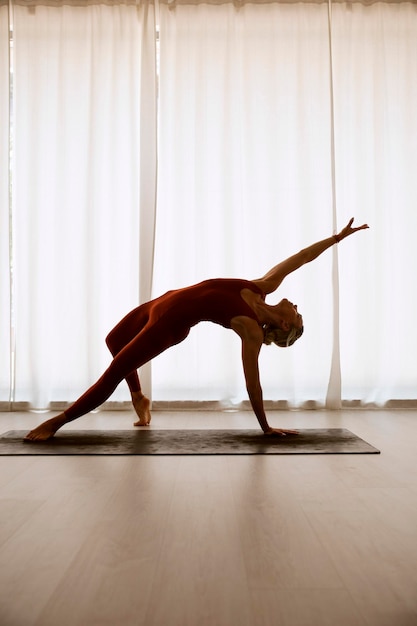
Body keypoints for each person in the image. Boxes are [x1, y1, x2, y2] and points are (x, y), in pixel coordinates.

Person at [24, 217, 368, 442]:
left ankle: (55, 424)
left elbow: (253, 381)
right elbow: (302, 257)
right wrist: (337, 238)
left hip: (168, 324)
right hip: (163, 301)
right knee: (113, 340)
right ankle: (140, 398)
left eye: (298, 314)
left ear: (285, 324)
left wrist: (266, 427)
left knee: (113, 372)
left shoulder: (251, 329)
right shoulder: (264, 286)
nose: (296, 307)